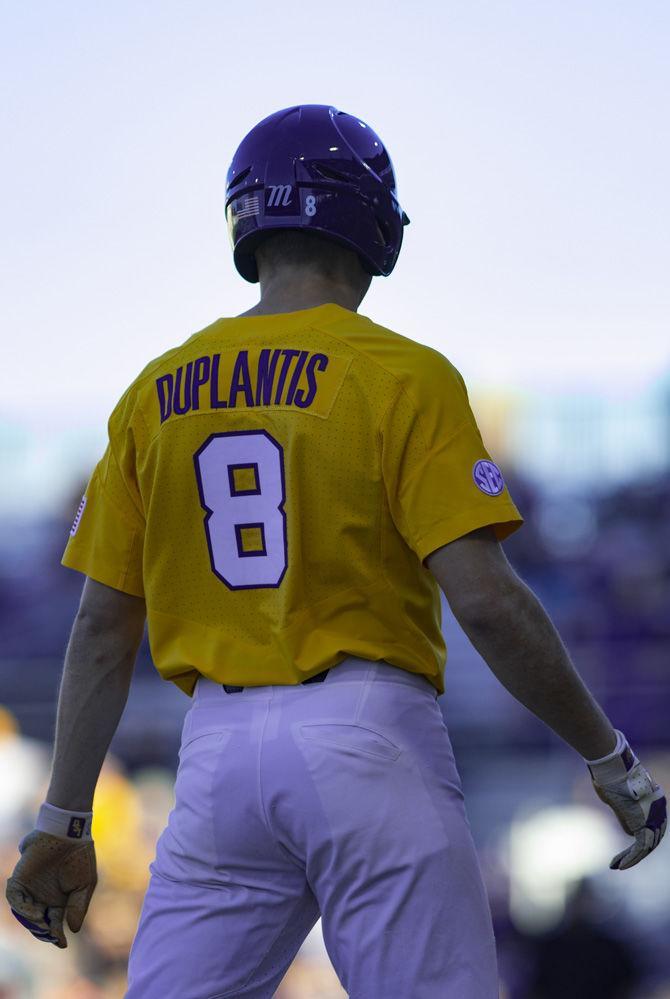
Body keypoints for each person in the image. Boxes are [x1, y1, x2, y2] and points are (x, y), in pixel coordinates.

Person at [5, 104, 667, 999]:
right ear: (372, 220)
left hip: (216, 755)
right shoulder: (401, 373)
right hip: (367, 730)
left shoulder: (151, 391)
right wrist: (608, 754)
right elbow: (488, 601)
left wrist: (63, 816)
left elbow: (100, 629)